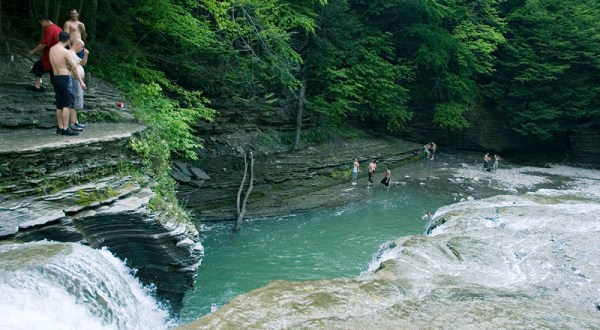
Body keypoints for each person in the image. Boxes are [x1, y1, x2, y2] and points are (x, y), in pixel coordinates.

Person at [49, 31, 87, 135]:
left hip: (55, 77)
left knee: (59, 105)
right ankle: (66, 128)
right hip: (65, 78)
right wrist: (81, 81)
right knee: (66, 104)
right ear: (67, 40)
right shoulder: (65, 52)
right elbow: (74, 67)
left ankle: (60, 127)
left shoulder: (52, 49)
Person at [28, 15, 62, 92]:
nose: (41, 26)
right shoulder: (58, 28)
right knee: (52, 74)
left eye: (41, 23)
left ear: (44, 20)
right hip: (57, 55)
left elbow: (44, 43)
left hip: (50, 56)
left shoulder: (50, 29)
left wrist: (33, 51)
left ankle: (37, 87)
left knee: (38, 67)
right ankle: (38, 87)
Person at [67, 38, 89, 132]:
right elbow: (73, 69)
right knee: (74, 103)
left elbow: (83, 63)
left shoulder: (74, 55)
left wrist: (85, 55)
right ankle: (72, 124)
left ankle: (75, 121)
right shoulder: (70, 54)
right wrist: (81, 81)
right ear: (77, 45)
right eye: (82, 46)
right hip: (74, 80)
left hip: (77, 81)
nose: (82, 49)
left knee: (76, 103)